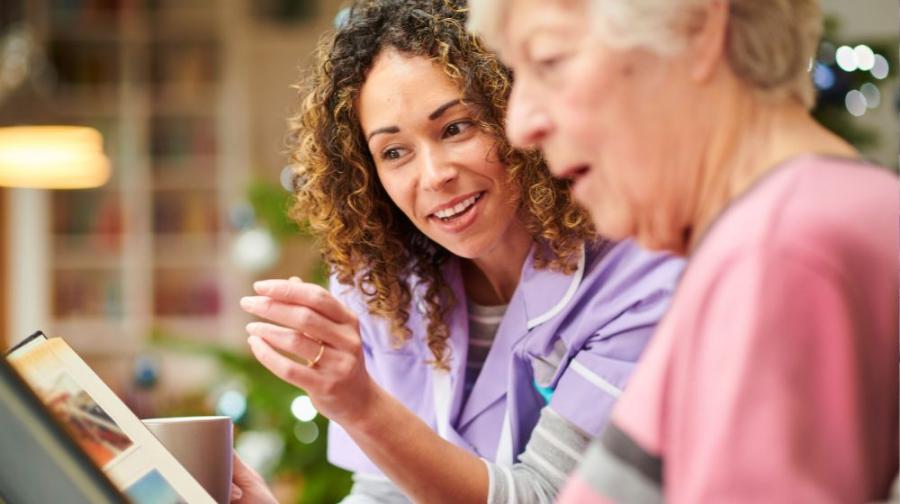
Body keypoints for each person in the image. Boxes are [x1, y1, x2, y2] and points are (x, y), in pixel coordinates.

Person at [232, 0, 684, 502]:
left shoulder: (639, 277)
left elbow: (548, 496)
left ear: (517, 109)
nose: (434, 175)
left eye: (456, 127)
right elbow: (387, 493)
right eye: (394, 152)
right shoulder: (384, 286)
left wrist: (362, 406)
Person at [468, 0, 900, 502]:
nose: (520, 125)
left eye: (550, 61)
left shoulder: (779, 251)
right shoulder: (800, 222)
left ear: (696, 29)